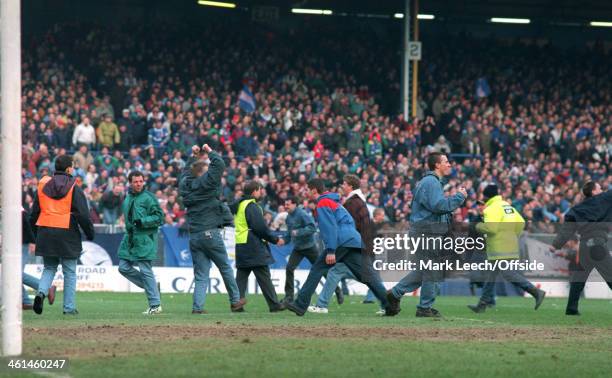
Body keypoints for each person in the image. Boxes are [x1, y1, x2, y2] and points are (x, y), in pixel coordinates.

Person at [285, 178, 395, 317]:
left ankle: (300, 305)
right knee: (367, 275)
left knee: (317, 269)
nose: (306, 192)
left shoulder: (323, 202)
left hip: (340, 242)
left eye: (307, 189)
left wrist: (331, 250)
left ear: (314, 190)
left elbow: (330, 228)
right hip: (353, 240)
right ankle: (390, 305)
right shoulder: (334, 202)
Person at [386, 153, 467, 318]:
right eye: (446, 162)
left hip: (426, 231)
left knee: (424, 271)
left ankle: (395, 294)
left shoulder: (431, 182)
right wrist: (459, 197)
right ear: (437, 165)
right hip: (427, 232)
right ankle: (424, 308)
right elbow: (438, 206)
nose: (449, 164)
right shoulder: (431, 182)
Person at [179, 144, 245, 314]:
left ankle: (197, 308)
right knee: (225, 268)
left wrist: (192, 157)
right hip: (210, 232)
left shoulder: (185, 185)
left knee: (201, 275)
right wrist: (209, 151)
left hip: (194, 235)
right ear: (202, 172)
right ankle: (235, 301)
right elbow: (220, 164)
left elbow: (184, 174)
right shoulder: (207, 183)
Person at [29, 154, 95, 315]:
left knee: (49, 267)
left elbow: (35, 212)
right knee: (70, 271)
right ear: (68, 169)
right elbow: (83, 215)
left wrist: (34, 234)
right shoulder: (74, 187)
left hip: (46, 230)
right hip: (67, 232)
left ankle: (41, 293)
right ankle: (69, 308)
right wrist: (89, 233)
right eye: (72, 166)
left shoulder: (43, 184)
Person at [467, 184, 546, 313]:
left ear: (486, 196)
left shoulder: (491, 209)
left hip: (498, 248)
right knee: (490, 276)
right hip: (509, 246)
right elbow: (521, 222)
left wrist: (478, 226)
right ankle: (482, 304)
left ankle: (536, 292)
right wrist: (512, 236)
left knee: (508, 274)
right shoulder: (507, 206)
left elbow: (491, 229)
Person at [309, 174, 377, 314]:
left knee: (337, 272)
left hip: (352, 243)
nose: (341, 187)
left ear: (350, 186)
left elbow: (347, 225)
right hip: (357, 242)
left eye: (344, 184)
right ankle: (387, 299)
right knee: (362, 274)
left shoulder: (353, 202)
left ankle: (322, 305)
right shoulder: (357, 200)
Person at [551, 181, 612, 315]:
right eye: (600, 188)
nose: (602, 190)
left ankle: (571, 309)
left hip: (584, 247)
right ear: (594, 192)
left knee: (578, 278)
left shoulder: (576, 209)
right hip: (597, 245)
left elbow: (566, 230)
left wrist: (555, 245)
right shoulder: (604, 198)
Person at [231, 181, 285, 312]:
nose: (261, 192)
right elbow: (260, 228)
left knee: (241, 277)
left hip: (241, 243)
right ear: (254, 191)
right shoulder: (251, 206)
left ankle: (236, 304)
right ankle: (274, 305)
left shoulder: (239, 204)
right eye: (260, 190)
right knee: (263, 275)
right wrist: (275, 239)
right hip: (253, 244)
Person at [281, 196, 344, 305]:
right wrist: (283, 241)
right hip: (298, 248)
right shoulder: (288, 217)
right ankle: (289, 297)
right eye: (285, 204)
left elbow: (312, 228)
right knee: (289, 268)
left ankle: (337, 289)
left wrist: (299, 232)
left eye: (288, 204)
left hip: (309, 247)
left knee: (322, 270)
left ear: (294, 204)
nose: (285, 206)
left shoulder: (302, 214)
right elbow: (289, 234)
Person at [117, 171, 164, 315]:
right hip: (130, 238)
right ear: (130, 183)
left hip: (144, 238)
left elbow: (159, 217)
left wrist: (142, 221)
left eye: (141, 181)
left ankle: (155, 305)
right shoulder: (128, 197)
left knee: (145, 269)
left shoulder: (149, 198)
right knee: (123, 267)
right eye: (136, 181)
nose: (139, 184)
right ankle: (152, 287)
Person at [21, 205, 56, 310]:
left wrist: (32, 241)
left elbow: (27, 224)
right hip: (12, 245)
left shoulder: (17, 209)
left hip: (22, 244)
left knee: (15, 274)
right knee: (13, 274)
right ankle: (25, 301)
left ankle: (46, 288)